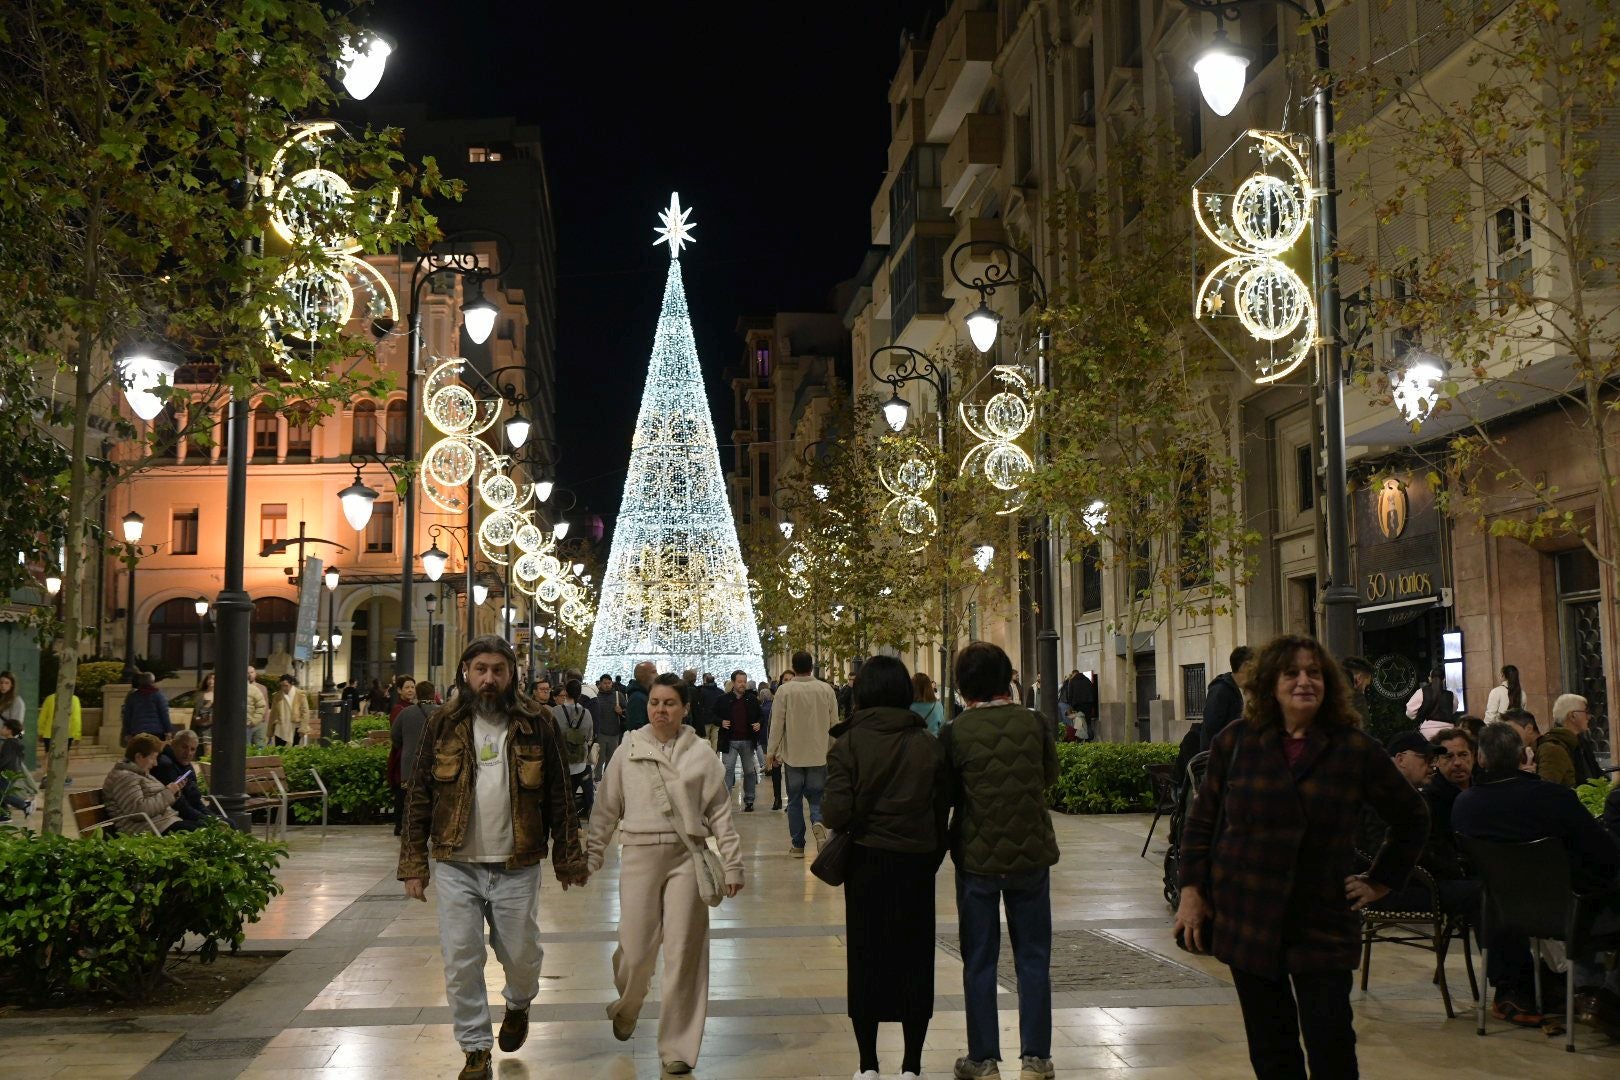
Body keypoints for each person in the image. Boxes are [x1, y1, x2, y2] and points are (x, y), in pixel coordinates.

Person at [1174, 634, 1427, 1080]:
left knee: (1331, 1045)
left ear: (1328, 683)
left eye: (1314, 672)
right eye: (1291, 673)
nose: (1304, 681)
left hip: (1321, 917)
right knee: (1271, 1050)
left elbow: (1412, 817)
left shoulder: (1353, 748)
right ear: (1270, 683)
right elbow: (1202, 822)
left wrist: (1380, 880)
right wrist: (1192, 891)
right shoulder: (1236, 742)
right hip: (1248, 913)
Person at [398, 636, 587, 1080]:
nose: (488, 678)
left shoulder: (537, 721)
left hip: (516, 863)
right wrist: (413, 864)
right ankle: (475, 1049)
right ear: (466, 671)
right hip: (455, 861)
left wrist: (568, 858)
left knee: (520, 953)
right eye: (480, 669)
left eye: (497, 670)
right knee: (461, 956)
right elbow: (419, 793)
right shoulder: (443, 722)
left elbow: (561, 792)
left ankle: (519, 1003)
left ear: (511, 674)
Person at [587, 672, 744, 1074]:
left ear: (685, 708)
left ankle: (678, 1047)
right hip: (638, 854)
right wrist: (591, 856)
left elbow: (721, 813)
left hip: (686, 857)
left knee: (683, 954)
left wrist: (733, 863)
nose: (661, 709)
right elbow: (606, 808)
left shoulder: (701, 754)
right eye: (655, 702)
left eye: (670, 703)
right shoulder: (629, 747)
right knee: (636, 951)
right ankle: (628, 1004)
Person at [823, 655, 951, 1080]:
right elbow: (941, 808)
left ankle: (868, 1064)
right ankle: (912, 1064)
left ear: (861, 693)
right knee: (915, 957)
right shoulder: (928, 744)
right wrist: (931, 852)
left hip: (865, 861)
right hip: (915, 862)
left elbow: (836, 812)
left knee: (866, 956)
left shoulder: (848, 744)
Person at [938, 641, 1059, 1080]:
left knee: (980, 959)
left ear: (963, 685)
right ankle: (1036, 1059)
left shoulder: (954, 732)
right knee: (1033, 957)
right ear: (1007, 676)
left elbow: (948, 794)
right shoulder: (1035, 722)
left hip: (977, 858)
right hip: (1030, 855)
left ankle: (983, 1058)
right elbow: (1049, 776)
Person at [1454, 722, 1620, 1026]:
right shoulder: (1554, 798)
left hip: (1502, 914)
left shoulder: (1464, 806)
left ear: (1480, 759)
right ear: (1522, 755)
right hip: (1569, 913)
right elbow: (1604, 853)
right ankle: (1601, 994)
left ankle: (1583, 989)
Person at [764, 650, 839, 858]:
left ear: (794, 667)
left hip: (794, 756)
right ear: (811, 666)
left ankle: (797, 845)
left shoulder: (785, 691)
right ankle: (818, 821)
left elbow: (777, 723)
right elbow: (834, 724)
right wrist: (835, 749)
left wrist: (771, 752)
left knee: (794, 801)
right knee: (817, 796)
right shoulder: (826, 690)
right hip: (819, 754)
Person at [103, 733, 200, 836]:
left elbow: (156, 799)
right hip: (148, 830)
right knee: (203, 834)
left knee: (206, 829)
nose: (155, 763)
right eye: (153, 758)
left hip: (163, 824)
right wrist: (169, 792)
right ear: (139, 756)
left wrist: (173, 791)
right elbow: (138, 811)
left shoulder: (140, 773)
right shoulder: (123, 778)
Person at [389, 681, 436, 836]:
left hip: (410, 762)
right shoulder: (442, 712)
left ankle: (402, 825)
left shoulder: (406, 712)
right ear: (433, 694)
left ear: (418, 693)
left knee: (406, 795)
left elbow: (395, 736)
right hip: (435, 762)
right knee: (433, 794)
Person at [714, 669, 762, 811]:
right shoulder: (723, 699)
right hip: (730, 741)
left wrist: (759, 723)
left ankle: (749, 800)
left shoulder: (752, 699)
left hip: (747, 740)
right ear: (733, 682)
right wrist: (720, 721)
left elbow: (760, 716)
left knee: (749, 771)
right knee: (727, 770)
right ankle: (725, 801)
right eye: (740, 682)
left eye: (744, 682)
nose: (742, 684)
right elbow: (712, 715)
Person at [151, 729, 217, 824]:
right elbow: (179, 805)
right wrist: (208, 821)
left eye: (192, 749)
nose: (188, 753)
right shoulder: (165, 764)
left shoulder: (187, 765)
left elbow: (195, 800)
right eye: (184, 747)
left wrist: (215, 819)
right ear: (173, 744)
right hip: (172, 818)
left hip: (190, 813)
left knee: (227, 823)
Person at [1537, 693, 1604, 788]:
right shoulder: (1552, 748)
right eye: (1586, 712)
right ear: (1572, 716)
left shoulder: (1582, 742)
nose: (1589, 717)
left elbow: (1597, 775)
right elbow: (1547, 789)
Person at [554, 679, 595, 818]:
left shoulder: (556, 711)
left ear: (565, 691)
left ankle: (569, 823)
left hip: (561, 761)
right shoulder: (587, 713)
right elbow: (590, 736)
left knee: (564, 797)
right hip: (580, 762)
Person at [1199, 646, 1253, 751]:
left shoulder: (1241, 690)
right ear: (1245, 666)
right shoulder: (1220, 690)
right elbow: (1211, 727)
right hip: (1218, 757)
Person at [588, 673, 626, 782]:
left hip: (614, 733)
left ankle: (608, 781)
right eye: (605, 683)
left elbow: (627, 711)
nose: (607, 685)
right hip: (600, 733)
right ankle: (597, 779)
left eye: (609, 683)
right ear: (600, 683)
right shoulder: (596, 696)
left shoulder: (618, 696)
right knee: (599, 759)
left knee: (612, 759)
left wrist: (621, 711)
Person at [120, 671, 172, 744]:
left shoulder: (133, 697)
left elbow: (127, 716)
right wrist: (168, 730)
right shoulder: (159, 696)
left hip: (137, 731)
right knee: (155, 753)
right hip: (156, 732)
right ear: (153, 681)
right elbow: (164, 714)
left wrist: (127, 733)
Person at [0, 716, 34, 820]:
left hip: (6, 773)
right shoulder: (15, 743)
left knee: (3, 794)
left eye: (3, 727)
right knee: (2, 793)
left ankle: (24, 805)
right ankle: (4, 815)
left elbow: (5, 759)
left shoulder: (9, 744)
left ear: (9, 730)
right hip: (12, 772)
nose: (1, 729)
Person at [756, 680, 782, 810]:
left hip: (772, 739)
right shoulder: (774, 705)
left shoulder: (763, 708)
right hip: (776, 741)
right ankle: (778, 798)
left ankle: (778, 799)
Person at [1407, 667, 1457, 736]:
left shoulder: (1421, 692)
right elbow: (1452, 710)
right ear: (1444, 680)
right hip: (1449, 731)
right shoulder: (1451, 695)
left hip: (1427, 731)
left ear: (1430, 679)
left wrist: (1419, 718)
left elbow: (1410, 711)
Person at [38, 690, 81, 758]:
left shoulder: (50, 698)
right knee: (63, 757)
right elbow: (76, 719)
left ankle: (47, 768)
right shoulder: (74, 699)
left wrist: (40, 732)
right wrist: (77, 736)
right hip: (66, 734)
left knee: (48, 755)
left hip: (49, 734)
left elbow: (43, 717)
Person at [269, 674, 309, 746]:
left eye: (286, 685)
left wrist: (303, 727)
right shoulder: (277, 696)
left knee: (295, 749)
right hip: (281, 726)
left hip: (296, 725)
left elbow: (305, 712)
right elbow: (273, 713)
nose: (283, 688)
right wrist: (270, 730)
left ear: (291, 684)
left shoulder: (300, 695)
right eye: (281, 685)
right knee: (279, 749)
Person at [1500, 707, 1540, 771]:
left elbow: (1548, 779)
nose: (1508, 736)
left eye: (1511, 730)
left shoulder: (1550, 749)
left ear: (1529, 729)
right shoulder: (1520, 752)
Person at [1340, 656, 1374, 727]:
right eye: (1366, 686)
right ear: (1359, 678)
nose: (1364, 691)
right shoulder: (1356, 699)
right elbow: (1362, 730)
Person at [624, 661, 654, 733]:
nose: (657, 675)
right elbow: (636, 729)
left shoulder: (645, 695)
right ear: (644, 676)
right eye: (653, 672)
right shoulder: (637, 698)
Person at [696, 672, 724, 749]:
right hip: (717, 720)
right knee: (716, 741)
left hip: (705, 720)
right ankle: (716, 759)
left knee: (705, 740)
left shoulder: (700, 691)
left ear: (705, 680)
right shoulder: (720, 692)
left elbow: (699, 706)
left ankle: (707, 758)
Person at [190, 672, 215, 754]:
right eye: (209, 678)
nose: (211, 681)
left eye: (214, 679)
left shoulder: (221, 694)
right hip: (201, 724)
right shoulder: (199, 694)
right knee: (203, 748)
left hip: (214, 725)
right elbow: (195, 711)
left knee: (209, 748)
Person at [246, 665, 269, 746]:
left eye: (252, 672)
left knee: (260, 747)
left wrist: (266, 722)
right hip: (247, 723)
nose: (250, 675)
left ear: (255, 673)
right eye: (247, 673)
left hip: (261, 723)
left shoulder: (262, 688)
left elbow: (265, 706)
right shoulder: (243, 688)